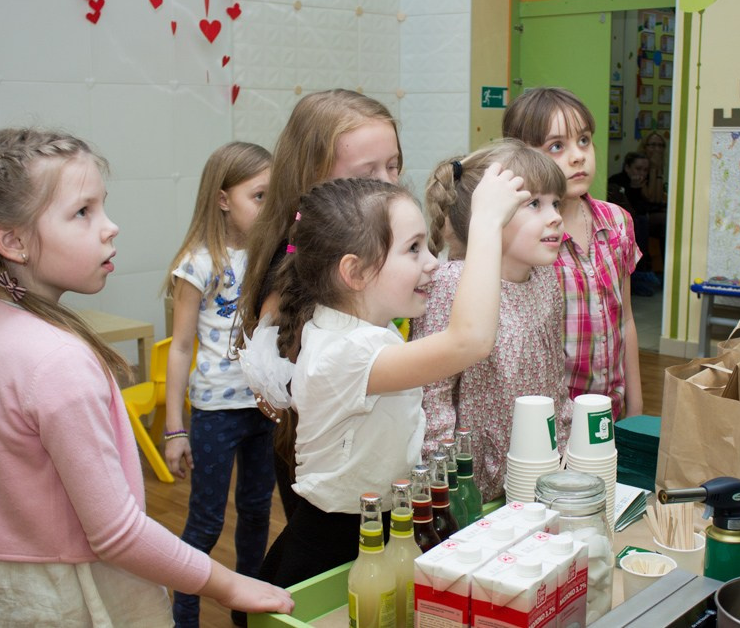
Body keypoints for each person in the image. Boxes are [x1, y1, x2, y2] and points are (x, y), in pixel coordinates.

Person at [0, 128, 293, 626]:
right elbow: (116, 533)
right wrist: (229, 584)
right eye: (82, 212)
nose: (111, 227)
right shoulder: (56, 363)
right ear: (13, 241)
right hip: (68, 595)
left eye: (103, 207)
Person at [257, 168, 527, 587]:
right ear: (356, 272)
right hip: (335, 543)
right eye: (414, 249)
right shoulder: (345, 354)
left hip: (380, 524)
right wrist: (487, 222)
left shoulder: (367, 334)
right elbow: (470, 340)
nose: (433, 263)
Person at [236, 89, 403, 522]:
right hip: (328, 480)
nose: (387, 184)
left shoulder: (377, 244)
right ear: (314, 177)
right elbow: (271, 390)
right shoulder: (294, 266)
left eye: (394, 166)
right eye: (369, 172)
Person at [414, 140, 573, 500]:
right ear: (487, 216)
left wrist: (562, 447)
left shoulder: (546, 278)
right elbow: (433, 395)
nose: (555, 216)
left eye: (555, 202)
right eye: (534, 203)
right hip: (472, 485)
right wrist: (450, 482)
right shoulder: (452, 284)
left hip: (538, 469)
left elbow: (553, 376)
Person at [161, 141, 275, 628]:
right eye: (260, 196)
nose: (270, 207)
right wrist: (174, 428)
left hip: (265, 407)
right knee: (207, 522)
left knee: (255, 514)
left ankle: (243, 609)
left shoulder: (272, 254)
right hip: (215, 412)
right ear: (224, 199)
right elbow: (181, 347)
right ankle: (183, 614)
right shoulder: (198, 262)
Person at [503, 87, 643, 419]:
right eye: (556, 146)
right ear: (523, 157)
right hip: (550, 419)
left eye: (583, 140)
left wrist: (636, 405)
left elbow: (626, 320)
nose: (578, 156)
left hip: (613, 411)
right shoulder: (523, 239)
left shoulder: (618, 222)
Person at [608, 152, 664, 296]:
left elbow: (650, 204)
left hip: (640, 219)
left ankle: (659, 271)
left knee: (664, 223)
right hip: (622, 223)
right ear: (627, 167)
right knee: (641, 222)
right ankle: (640, 270)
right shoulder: (617, 182)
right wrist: (634, 189)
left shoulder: (644, 182)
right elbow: (627, 210)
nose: (642, 173)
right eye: (638, 169)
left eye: (645, 170)